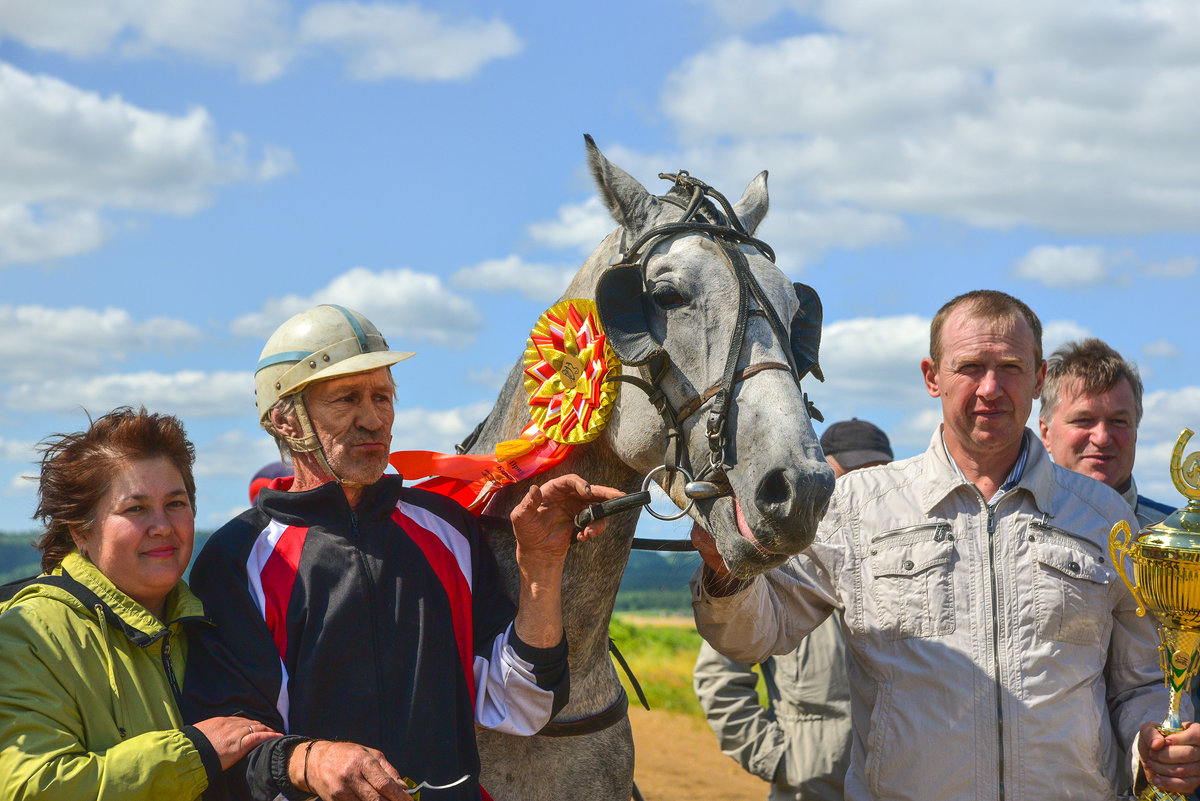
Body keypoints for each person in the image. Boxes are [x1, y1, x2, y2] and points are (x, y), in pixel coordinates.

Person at [690, 290, 1200, 800]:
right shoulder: (857, 507)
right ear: (932, 376)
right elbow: (757, 633)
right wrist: (726, 574)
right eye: (970, 367)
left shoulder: (1102, 517)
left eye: (1011, 367)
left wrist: (1152, 743)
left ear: (1040, 377)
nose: (991, 388)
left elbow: (1141, 683)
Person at [181, 304, 620, 801]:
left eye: (383, 396)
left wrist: (540, 566)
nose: (373, 419)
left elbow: (521, 703)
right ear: (285, 419)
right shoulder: (238, 558)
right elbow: (229, 749)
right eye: (346, 399)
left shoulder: (447, 528)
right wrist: (312, 760)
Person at [0, 407, 280, 800]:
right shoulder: (28, 634)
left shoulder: (217, 623)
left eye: (176, 504)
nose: (162, 525)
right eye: (135, 509)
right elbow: (30, 787)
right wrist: (193, 754)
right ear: (81, 531)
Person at [692, 419, 892, 800]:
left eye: (874, 477)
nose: (859, 491)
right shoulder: (778, 571)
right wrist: (783, 761)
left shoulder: (907, 578)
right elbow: (719, 677)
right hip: (806, 791)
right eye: (846, 477)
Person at [1039, 337, 1173, 527]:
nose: (1102, 438)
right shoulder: (1014, 529)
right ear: (1046, 434)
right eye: (1083, 420)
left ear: (1135, 431)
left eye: (1118, 421)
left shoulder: (1181, 536)